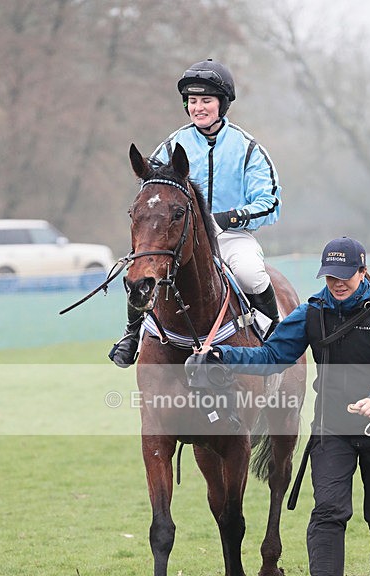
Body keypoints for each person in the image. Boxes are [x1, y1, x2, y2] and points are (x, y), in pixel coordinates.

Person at [187, 236, 370, 576]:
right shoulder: (312, 313)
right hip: (331, 431)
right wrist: (224, 354)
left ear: (362, 271)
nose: (337, 282)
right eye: (330, 275)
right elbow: (271, 355)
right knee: (327, 512)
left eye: (345, 275)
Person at [110, 58, 282, 367]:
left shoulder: (248, 148)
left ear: (222, 104)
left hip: (230, 235)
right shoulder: (172, 145)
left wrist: (226, 218)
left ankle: (277, 338)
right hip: (178, 235)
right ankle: (131, 334)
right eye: (192, 101)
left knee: (251, 274)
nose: (198, 107)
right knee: (140, 271)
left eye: (206, 100)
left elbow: (269, 202)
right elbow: (151, 196)